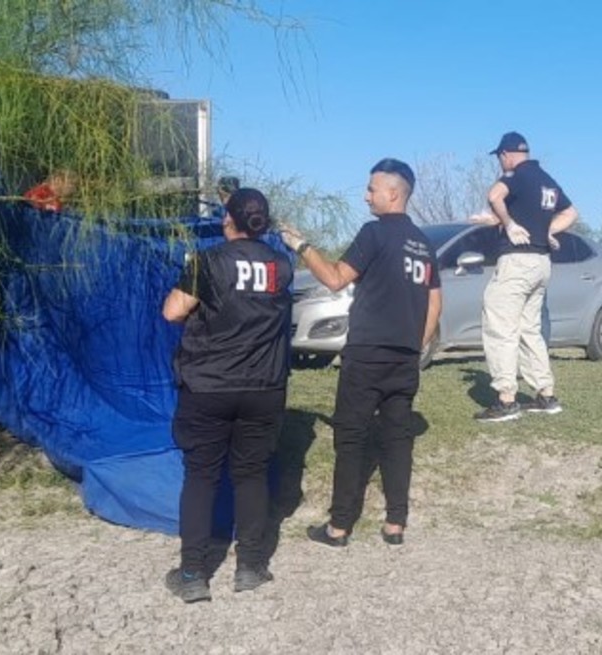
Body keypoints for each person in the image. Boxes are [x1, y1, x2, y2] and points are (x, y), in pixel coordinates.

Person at [280, 158, 442, 548]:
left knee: (350, 438)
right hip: (405, 357)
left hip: (367, 354)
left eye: (371, 189)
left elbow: (336, 279)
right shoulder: (423, 243)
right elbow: (435, 301)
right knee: (397, 438)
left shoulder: (374, 233)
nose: (365, 195)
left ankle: (339, 526)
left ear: (393, 193)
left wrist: (301, 245)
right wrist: (415, 345)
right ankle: (395, 524)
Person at [160, 187, 293, 602]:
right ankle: (251, 566)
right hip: (263, 387)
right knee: (251, 475)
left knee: (202, 476)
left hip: (210, 386)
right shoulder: (282, 266)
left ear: (228, 220)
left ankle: (193, 574)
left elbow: (172, 312)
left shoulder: (207, 262)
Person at [474, 131, 580, 422]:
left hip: (517, 261)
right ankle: (546, 394)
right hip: (542, 262)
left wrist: (506, 223)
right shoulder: (546, 180)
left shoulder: (516, 175)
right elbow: (571, 212)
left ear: (506, 155)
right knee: (529, 329)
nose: (500, 161)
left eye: (500, 157)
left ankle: (506, 400)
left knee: (500, 325)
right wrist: (547, 231)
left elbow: (494, 195)